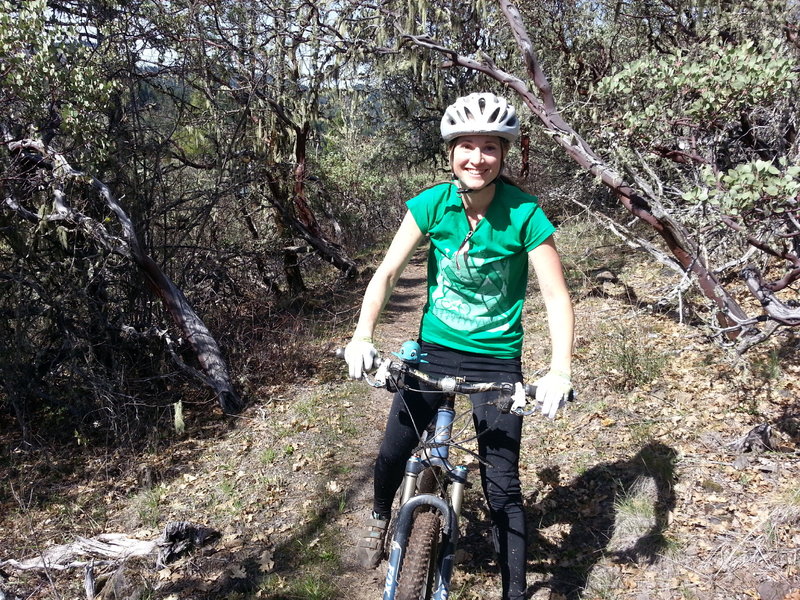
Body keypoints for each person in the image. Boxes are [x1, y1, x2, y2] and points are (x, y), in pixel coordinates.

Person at [344, 92, 575, 600]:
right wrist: (363, 334)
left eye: (489, 147)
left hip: (496, 358)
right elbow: (386, 273)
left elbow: (556, 296)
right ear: (450, 151)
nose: (476, 158)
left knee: (502, 486)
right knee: (392, 451)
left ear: (504, 154)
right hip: (434, 349)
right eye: (466, 146)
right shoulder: (432, 203)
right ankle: (380, 517)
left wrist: (559, 370)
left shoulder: (525, 214)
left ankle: (514, 592)